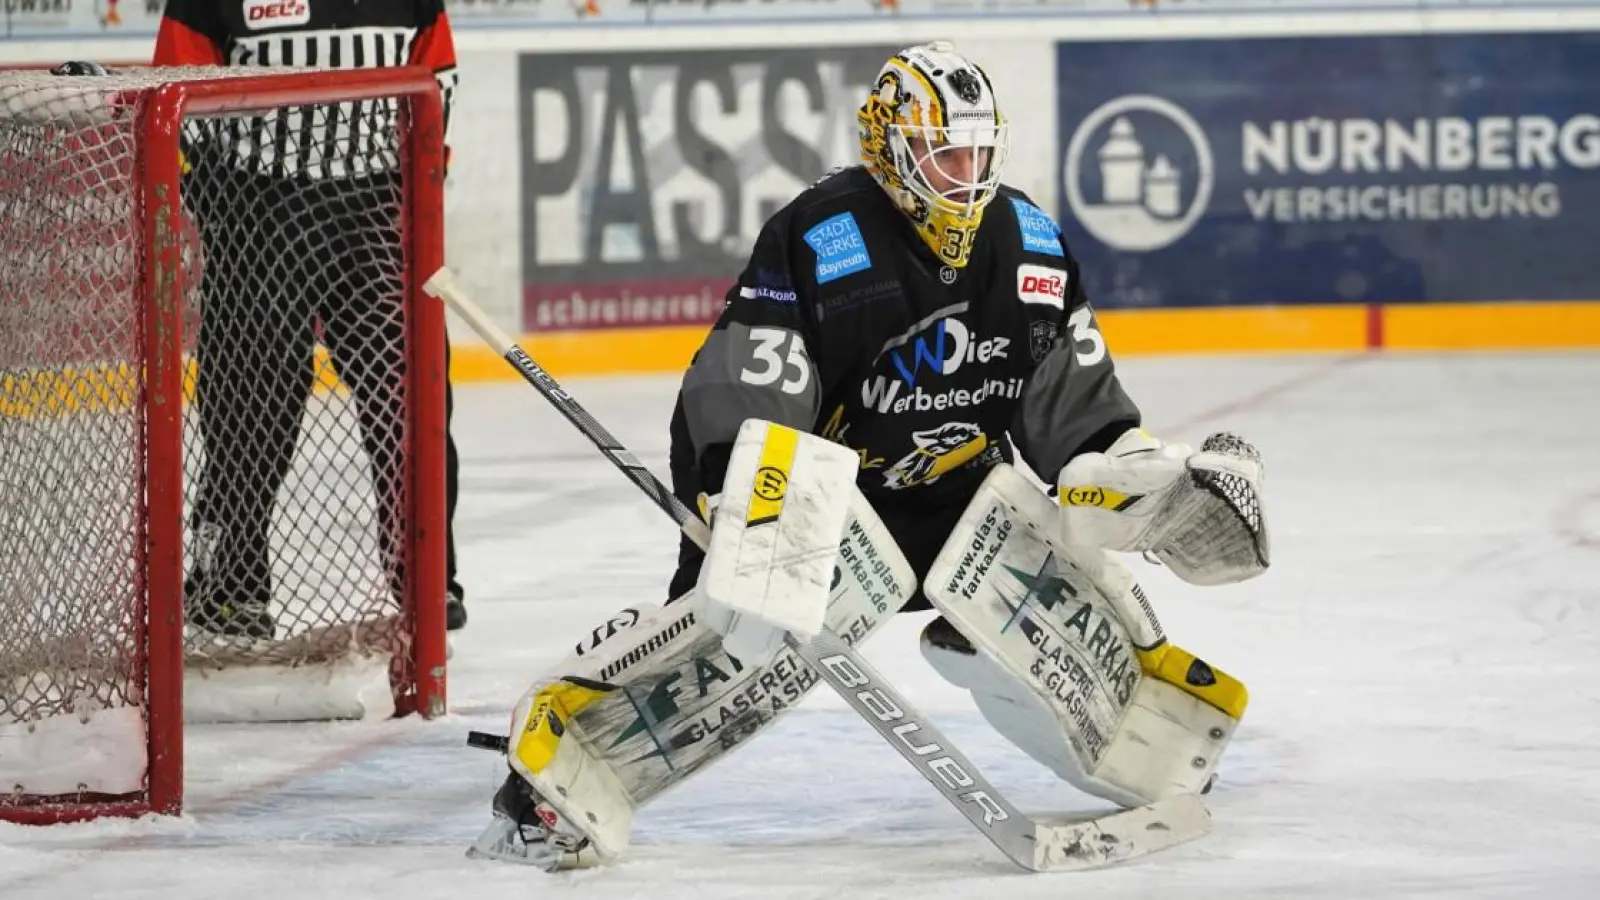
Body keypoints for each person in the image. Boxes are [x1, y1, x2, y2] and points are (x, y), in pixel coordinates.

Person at [468, 41, 1269, 871]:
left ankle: (1140, 732)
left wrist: (1139, 479)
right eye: (943, 153)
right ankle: (555, 771)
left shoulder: (1029, 244)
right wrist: (744, 503)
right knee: (736, 642)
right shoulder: (826, 235)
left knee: (1047, 582)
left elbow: (1076, 414)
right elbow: (749, 380)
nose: (965, 175)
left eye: (977, 153)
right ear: (891, 149)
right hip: (817, 494)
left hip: (956, 490)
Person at [148, 0, 468, 636]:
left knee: (412, 391)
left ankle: (428, 575)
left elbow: (437, 85)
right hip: (256, 206)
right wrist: (221, 205)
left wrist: (416, 195)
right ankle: (229, 585)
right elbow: (174, 96)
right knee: (250, 401)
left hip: (374, 208)